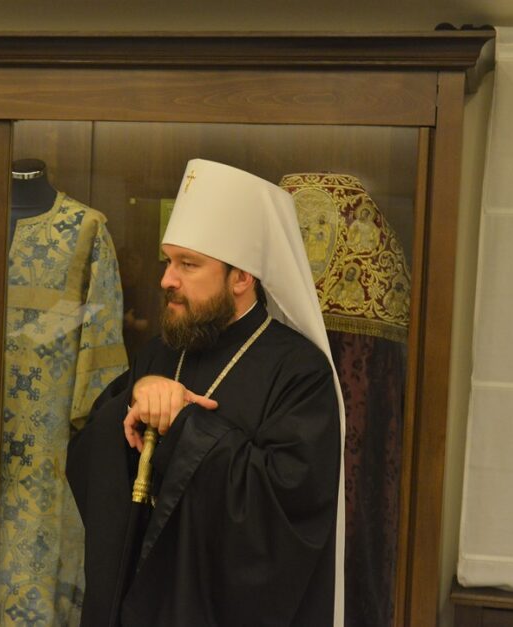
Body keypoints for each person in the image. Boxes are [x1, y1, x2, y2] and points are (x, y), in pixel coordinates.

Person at [66, 159, 346, 626]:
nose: (166, 280)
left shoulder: (301, 373)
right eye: (168, 261)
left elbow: (289, 511)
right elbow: (89, 451)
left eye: (188, 264)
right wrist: (137, 395)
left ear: (241, 278)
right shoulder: (161, 352)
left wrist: (185, 425)